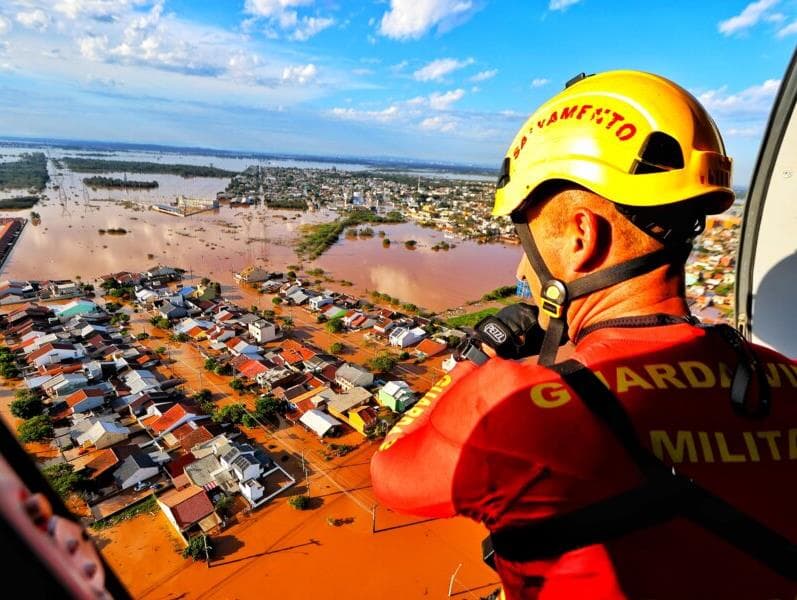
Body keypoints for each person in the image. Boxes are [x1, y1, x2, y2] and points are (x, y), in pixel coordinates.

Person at [370, 70, 797, 600]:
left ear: (581, 237)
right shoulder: (784, 378)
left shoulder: (511, 407)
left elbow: (389, 469)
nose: (523, 272)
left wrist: (483, 353)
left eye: (525, 241)